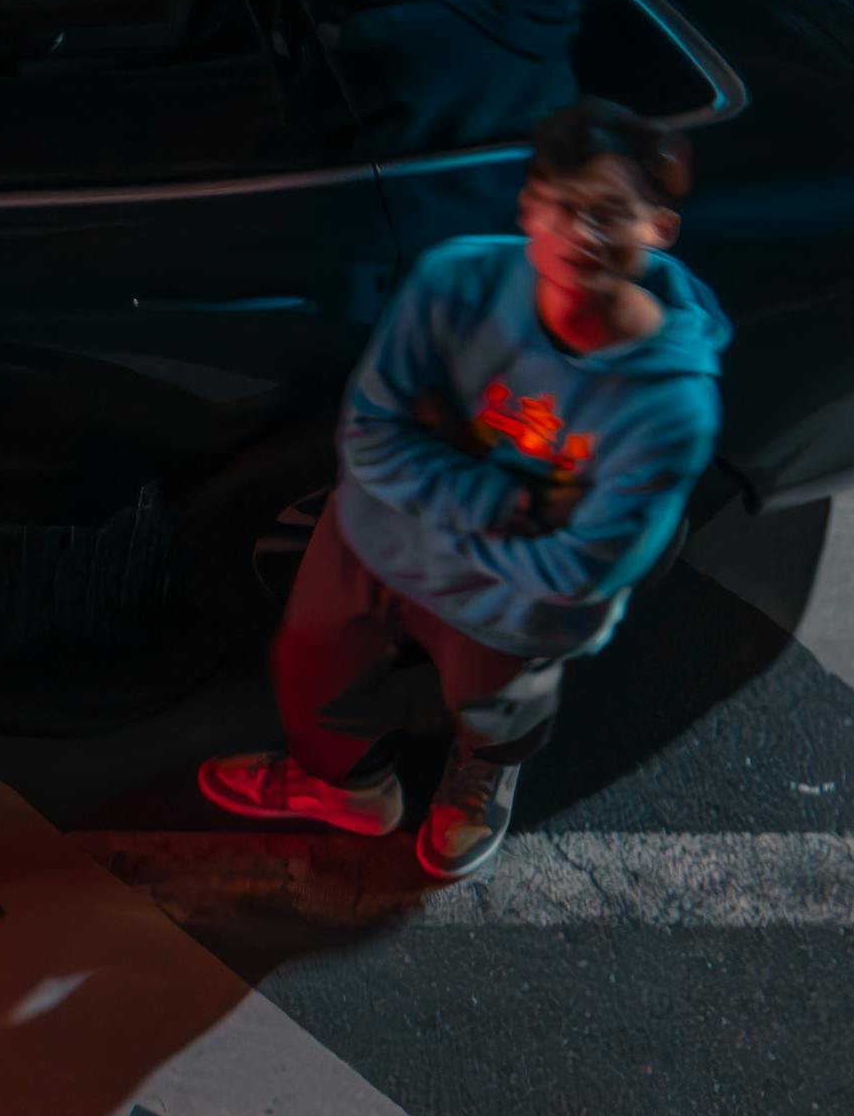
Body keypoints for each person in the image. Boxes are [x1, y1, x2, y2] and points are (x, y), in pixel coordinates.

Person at [202, 101, 731, 886]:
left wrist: (435, 470)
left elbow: (587, 566)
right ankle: (342, 787)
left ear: (659, 227)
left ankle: (479, 779)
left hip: (511, 613)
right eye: (562, 207)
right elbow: (372, 436)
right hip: (372, 550)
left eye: (610, 214)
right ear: (528, 206)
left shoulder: (670, 403)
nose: (580, 235)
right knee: (313, 669)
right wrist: (509, 505)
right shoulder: (454, 280)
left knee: (498, 712)